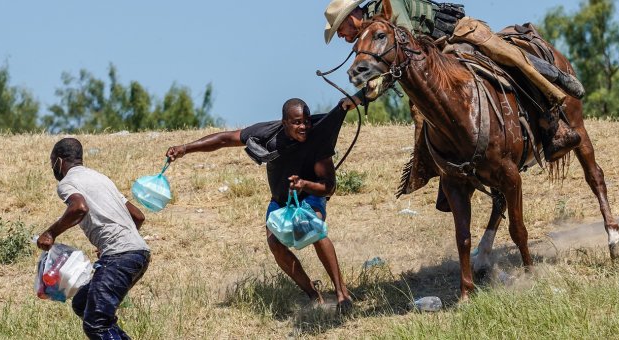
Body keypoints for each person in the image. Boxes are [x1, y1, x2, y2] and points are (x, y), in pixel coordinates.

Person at [324, 0, 585, 162]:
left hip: (459, 34)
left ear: (350, 19)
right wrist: (361, 96)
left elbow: (408, 48)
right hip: (436, 55)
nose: (341, 38)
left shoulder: (385, 6)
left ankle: (554, 101)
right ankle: (441, 167)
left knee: (508, 58)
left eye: (340, 31)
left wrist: (361, 96)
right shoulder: (371, 34)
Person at [165, 97, 360, 312]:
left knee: (313, 229)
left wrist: (304, 184)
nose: (303, 127)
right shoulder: (267, 133)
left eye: (306, 121)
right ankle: (314, 295)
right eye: (296, 122)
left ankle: (342, 294)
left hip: (310, 196)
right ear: (284, 122)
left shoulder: (318, 139)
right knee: (275, 245)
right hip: (280, 201)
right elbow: (224, 139)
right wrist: (185, 148)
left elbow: (329, 187)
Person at [37, 137, 150, 340]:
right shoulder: (101, 178)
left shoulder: (68, 182)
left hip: (120, 256)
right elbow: (138, 216)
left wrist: (50, 233)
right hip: (139, 253)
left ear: (59, 161)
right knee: (83, 303)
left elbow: (78, 208)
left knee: (96, 325)